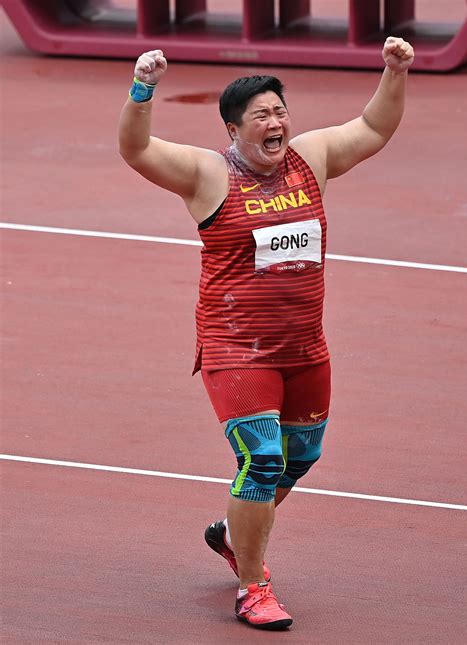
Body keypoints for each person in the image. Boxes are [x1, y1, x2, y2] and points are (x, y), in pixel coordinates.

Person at [119, 36, 415, 631]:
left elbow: (374, 128)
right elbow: (136, 149)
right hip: (237, 351)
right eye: (262, 116)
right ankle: (253, 586)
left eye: (280, 111)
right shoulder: (208, 174)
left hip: (305, 349)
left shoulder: (312, 157)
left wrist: (394, 69)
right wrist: (143, 89)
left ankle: (232, 534)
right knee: (262, 461)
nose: (276, 122)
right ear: (234, 130)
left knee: (301, 460)